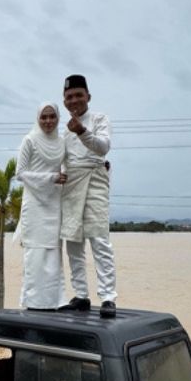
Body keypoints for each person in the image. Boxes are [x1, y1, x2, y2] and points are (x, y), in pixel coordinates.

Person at [56, 74, 118, 318]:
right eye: (69, 97)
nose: (74, 100)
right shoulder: (64, 131)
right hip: (71, 185)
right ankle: (81, 295)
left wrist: (82, 131)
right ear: (64, 101)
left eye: (78, 95)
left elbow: (103, 147)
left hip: (94, 181)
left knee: (99, 240)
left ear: (88, 97)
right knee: (73, 243)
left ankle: (108, 297)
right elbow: (61, 158)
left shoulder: (100, 119)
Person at [11, 102, 66, 310]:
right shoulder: (30, 140)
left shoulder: (62, 143)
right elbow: (20, 173)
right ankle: (33, 303)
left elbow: (71, 165)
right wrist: (51, 177)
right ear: (37, 118)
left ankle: (55, 302)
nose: (48, 121)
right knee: (35, 253)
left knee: (53, 252)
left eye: (52, 117)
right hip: (34, 204)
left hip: (54, 202)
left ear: (58, 118)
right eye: (44, 117)